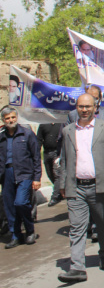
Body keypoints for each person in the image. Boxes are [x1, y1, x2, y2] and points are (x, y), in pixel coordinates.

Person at [57, 94, 104, 283]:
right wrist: (62, 184)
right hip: (76, 187)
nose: (84, 110)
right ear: (76, 108)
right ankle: (77, 267)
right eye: (81, 106)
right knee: (76, 227)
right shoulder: (67, 131)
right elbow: (64, 160)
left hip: (99, 187)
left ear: (95, 107)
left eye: (88, 106)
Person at [0, 106, 41, 249]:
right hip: (7, 174)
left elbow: (36, 157)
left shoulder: (27, 134)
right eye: (7, 118)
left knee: (21, 203)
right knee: (10, 207)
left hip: (24, 173)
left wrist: (37, 178)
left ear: (16, 118)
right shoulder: (1, 137)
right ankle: (16, 235)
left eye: (12, 117)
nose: (10, 120)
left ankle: (30, 231)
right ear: (3, 120)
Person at [36, 122, 63, 207]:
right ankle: (59, 190)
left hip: (57, 152)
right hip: (47, 152)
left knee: (57, 174)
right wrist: (36, 153)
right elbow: (39, 139)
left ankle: (55, 196)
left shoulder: (61, 123)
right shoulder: (43, 124)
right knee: (50, 173)